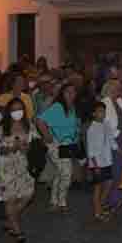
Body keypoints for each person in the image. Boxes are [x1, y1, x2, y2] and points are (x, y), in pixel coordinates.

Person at [37, 84, 81, 213]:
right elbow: (39, 120)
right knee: (66, 172)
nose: (71, 94)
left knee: (60, 172)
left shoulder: (72, 108)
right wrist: (47, 135)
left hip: (67, 144)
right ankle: (62, 202)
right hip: (56, 144)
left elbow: (73, 127)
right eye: (68, 92)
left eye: (73, 92)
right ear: (62, 93)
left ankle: (54, 201)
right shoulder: (57, 107)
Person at [0, 98, 34, 243]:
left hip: (22, 164)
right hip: (6, 166)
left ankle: (10, 219)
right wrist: (11, 147)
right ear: (8, 111)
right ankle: (17, 230)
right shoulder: (2, 127)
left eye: (20, 109)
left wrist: (24, 147)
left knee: (28, 193)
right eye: (14, 109)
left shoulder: (27, 125)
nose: (17, 112)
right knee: (10, 198)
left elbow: (29, 146)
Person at [86, 102, 114, 221]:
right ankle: (97, 212)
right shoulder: (92, 128)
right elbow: (90, 148)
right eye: (99, 111)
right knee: (97, 187)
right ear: (94, 113)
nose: (102, 114)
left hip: (106, 161)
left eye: (103, 111)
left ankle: (100, 206)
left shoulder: (105, 125)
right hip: (97, 163)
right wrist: (95, 165)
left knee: (108, 183)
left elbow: (110, 140)